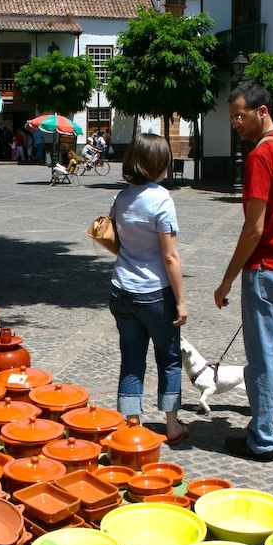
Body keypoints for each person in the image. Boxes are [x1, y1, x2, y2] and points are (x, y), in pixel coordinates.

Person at [214, 80, 273, 461]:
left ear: (262, 111)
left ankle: (263, 439)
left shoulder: (261, 156)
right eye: (232, 118)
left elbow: (254, 228)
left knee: (262, 357)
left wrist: (227, 279)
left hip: (267, 268)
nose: (235, 124)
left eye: (240, 116)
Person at [109, 133, 188, 443]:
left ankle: (132, 426)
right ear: (159, 164)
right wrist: (180, 301)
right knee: (168, 358)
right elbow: (170, 256)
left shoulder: (122, 198)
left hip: (121, 289)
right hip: (155, 292)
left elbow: (117, 241)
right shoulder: (162, 199)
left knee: (131, 357)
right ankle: (172, 425)